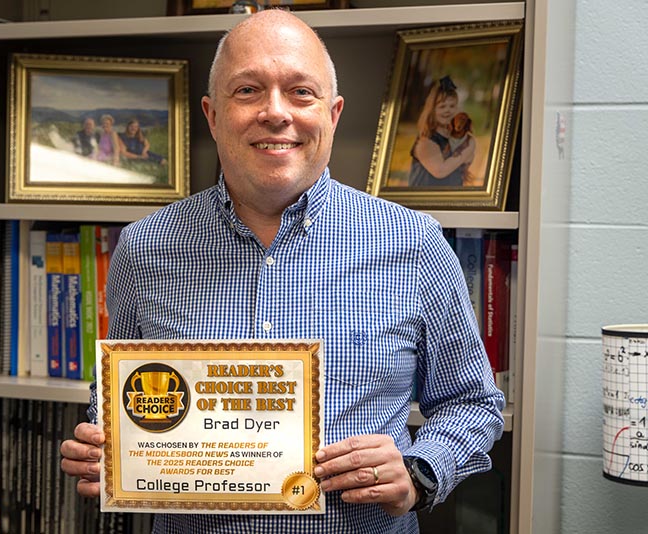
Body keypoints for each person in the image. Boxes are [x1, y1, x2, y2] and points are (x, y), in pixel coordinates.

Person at [60, 9, 504, 533]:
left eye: (301, 92)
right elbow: (117, 397)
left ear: (333, 114)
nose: (276, 112)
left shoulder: (415, 242)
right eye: (247, 90)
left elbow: (473, 403)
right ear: (212, 114)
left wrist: (419, 472)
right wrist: (102, 438)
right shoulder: (143, 248)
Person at [408, 76, 476, 188]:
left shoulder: (455, 138)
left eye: (452, 106)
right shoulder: (425, 140)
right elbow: (440, 171)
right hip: (425, 200)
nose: (448, 110)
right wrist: (468, 149)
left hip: (449, 199)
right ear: (432, 110)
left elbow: (464, 165)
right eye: (442, 106)